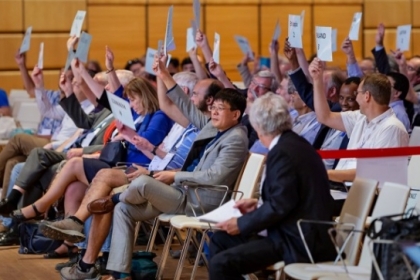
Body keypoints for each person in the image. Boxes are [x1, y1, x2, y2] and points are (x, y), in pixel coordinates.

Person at [45, 55, 249, 280]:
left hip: (199, 200)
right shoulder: (215, 126)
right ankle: (119, 274)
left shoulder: (236, 138)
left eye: (221, 108)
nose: (215, 112)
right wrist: (163, 74)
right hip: (182, 192)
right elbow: (185, 107)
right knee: (124, 210)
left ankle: (110, 201)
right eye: (214, 107)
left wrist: (174, 175)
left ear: (236, 114)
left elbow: (215, 176)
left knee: (141, 182)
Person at [208, 93, 336, 279]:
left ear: (258, 126)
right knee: (220, 240)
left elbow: (280, 205)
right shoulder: (293, 144)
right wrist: (257, 205)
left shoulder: (283, 151)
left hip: (297, 239)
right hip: (293, 230)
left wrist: (242, 223)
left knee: (222, 264)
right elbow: (288, 197)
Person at [309, 58, 409, 183]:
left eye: (358, 93)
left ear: (367, 96)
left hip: (362, 196)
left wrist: (324, 173)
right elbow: (324, 117)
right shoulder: (360, 118)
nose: (356, 98)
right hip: (341, 188)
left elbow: (369, 173)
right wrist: (317, 80)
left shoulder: (392, 128)